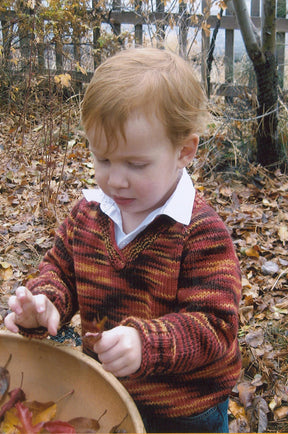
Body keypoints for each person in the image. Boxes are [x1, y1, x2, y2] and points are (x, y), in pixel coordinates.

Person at [5, 47, 242, 433]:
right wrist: (45, 303)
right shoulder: (89, 213)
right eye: (103, 159)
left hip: (184, 411)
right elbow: (59, 269)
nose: (115, 179)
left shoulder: (200, 233)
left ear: (183, 150)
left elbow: (215, 326)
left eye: (135, 164)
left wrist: (146, 342)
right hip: (107, 392)